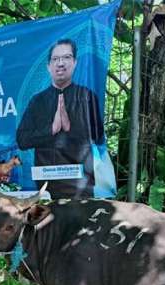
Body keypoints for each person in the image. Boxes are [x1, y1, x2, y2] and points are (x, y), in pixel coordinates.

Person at [16, 38, 104, 199]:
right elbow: (22, 140)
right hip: (46, 187)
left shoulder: (87, 96)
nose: (61, 63)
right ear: (48, 66)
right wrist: (52, 129)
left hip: (80, 185)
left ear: (75, 62)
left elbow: (98, 137)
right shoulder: (37, 101)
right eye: (55, 59)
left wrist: (70, 127)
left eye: (67, 57)